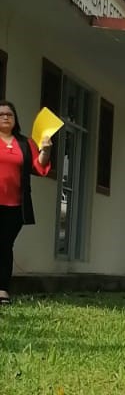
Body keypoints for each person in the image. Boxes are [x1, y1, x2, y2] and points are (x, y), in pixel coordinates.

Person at [0, 101, 54, 305]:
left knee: (5, 245)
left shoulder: (25, 143)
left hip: (15, 206)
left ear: (15, 119)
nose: (5, 117)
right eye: (1, 114)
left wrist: (46, 150)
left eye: (9, 115)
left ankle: (2, 289)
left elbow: (39, 167)